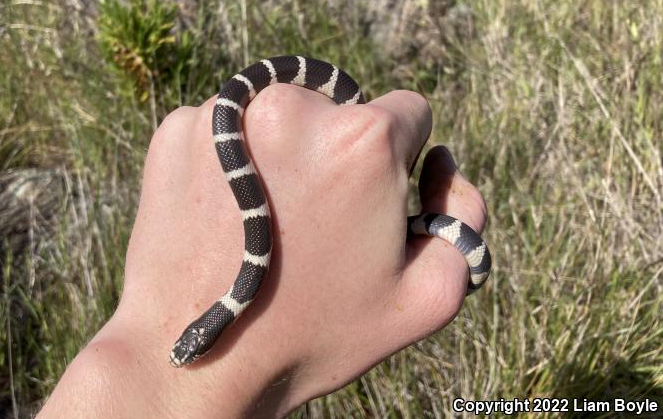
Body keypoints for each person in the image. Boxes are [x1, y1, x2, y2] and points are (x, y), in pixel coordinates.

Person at [37, 85, 489, 418]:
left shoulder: (239, 290)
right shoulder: (236, 295)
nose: (186, 353)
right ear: (208, 330)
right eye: (190, 350)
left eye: (188, 348)